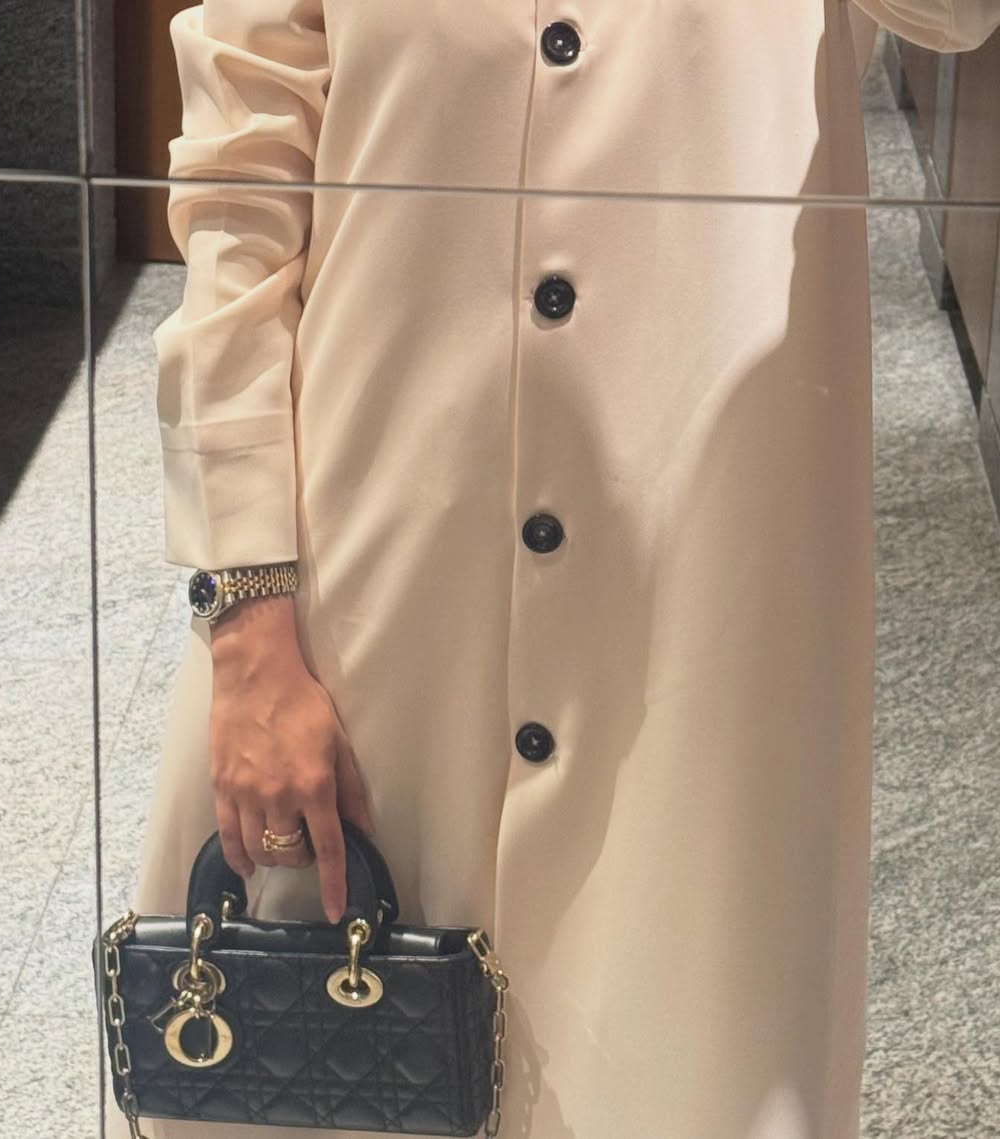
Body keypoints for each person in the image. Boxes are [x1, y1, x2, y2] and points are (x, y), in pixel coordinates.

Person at [108, 3, 1000, 1138]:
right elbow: (240, 179)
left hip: (695, 614)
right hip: (367, 590)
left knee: (673, 1062)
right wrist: (247, 616)